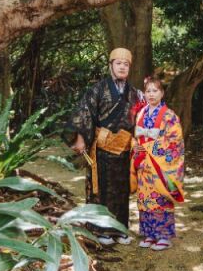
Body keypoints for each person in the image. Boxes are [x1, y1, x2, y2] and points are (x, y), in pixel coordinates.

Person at [63, 48, 143, 245]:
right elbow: (83, 113)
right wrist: (79, 139)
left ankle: (120, 229)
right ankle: (100, 230)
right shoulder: (97, 90)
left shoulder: (136, 94)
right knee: (101, 189)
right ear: (110, 66)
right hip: (101, 150)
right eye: (118, 63)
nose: (122, 67)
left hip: (124, 150)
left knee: (122, 189)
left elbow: (143, 120)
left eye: (126, 64)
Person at [131, 76, 185, 251]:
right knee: (144, 198)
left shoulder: (169, 115)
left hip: (160, 165)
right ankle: (149, 234)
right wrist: (136, 148)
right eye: (148, 91)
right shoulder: (141, 113)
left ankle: (163, 236)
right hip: (143, 164)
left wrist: (151, 149)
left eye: (155, 90)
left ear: (162, 93)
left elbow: (175, 141)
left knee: (160, 197)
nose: (151, 94)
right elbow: (136, 137)